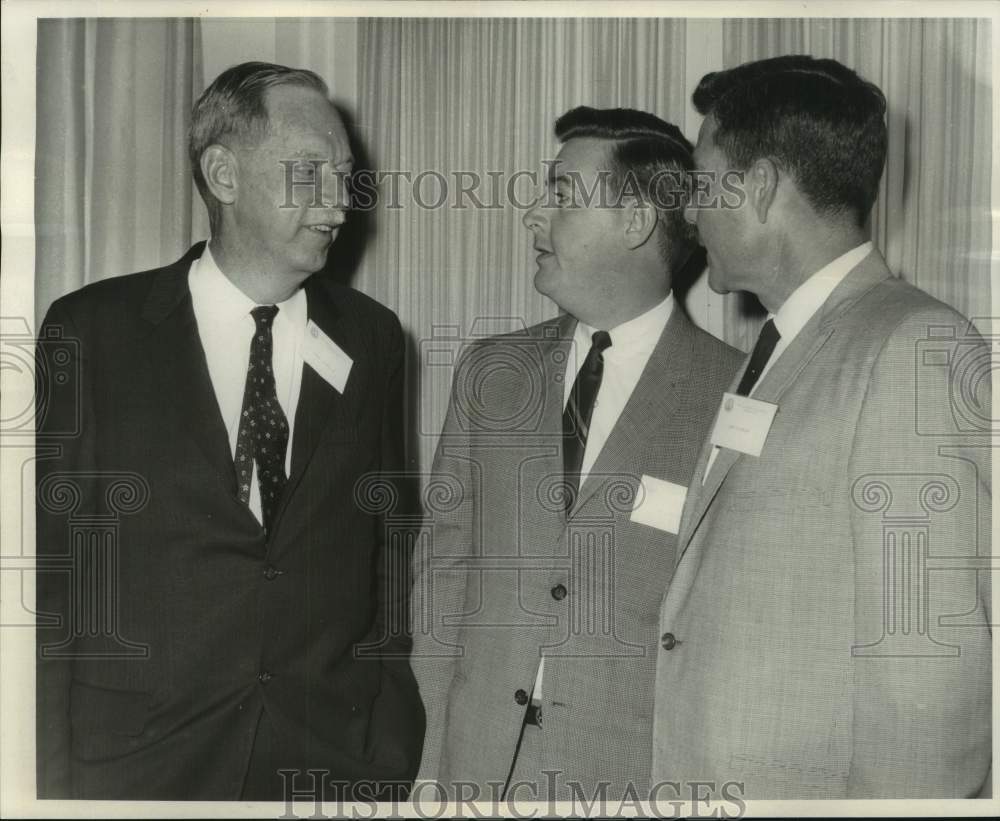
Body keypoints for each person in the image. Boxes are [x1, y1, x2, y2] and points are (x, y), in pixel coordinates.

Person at [35, 61, 424, 801]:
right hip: (137, 766)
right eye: (309, 172)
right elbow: (52, 577)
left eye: (344, 175)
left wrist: (389, 739)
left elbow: (390, 546)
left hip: (329, 763)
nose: (339, 202)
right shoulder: (92, 332)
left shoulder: (373, 340)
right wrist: (38, 782)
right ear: (223, 173)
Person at [653, 55, 991, 798]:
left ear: (762, 187)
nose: (690, 214)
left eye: (706, 185)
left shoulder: (911, 349)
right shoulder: (778, 348)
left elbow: (926, 682)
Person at [411, 106, 742, 802]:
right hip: (472, 772)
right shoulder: (488, 373)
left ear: (636, 222)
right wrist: (427, 766)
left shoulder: (736, 397)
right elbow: (441, 580)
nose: (536, 217)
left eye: (561, 193)